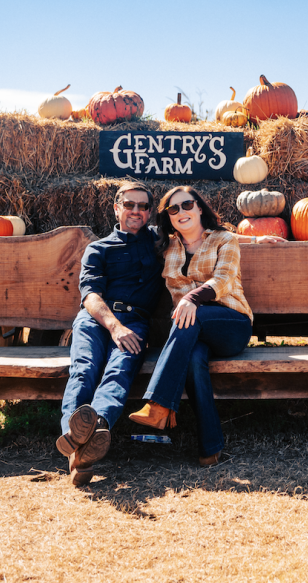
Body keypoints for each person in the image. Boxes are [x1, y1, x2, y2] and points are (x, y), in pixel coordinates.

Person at [129, 185, 258, 466]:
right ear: (169, 218)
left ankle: (159, 403)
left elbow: (223, 278)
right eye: (173, 209)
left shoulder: (223, 239)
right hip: (191, 331)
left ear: (199, 207)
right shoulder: (166, 247)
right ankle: (210, 446)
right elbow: (131, 237)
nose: (181, 212)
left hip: (231, 324)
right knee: (194, 357)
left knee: (190, 313)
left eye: (187, 205)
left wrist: (191, 298)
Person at [57, 181, 162, 487]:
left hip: (136, 322)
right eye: (129, 205)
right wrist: (114, 327)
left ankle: (94, 431)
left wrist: (257, 237)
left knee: (120, 370)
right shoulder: (98, 248)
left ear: (150, 212)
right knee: (84, 370)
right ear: (117, 208)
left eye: (143, 206)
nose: (136, 211)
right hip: (96, 318)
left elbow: (203, 232)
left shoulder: (159, 242)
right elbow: (90, 296)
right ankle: (76, 438)